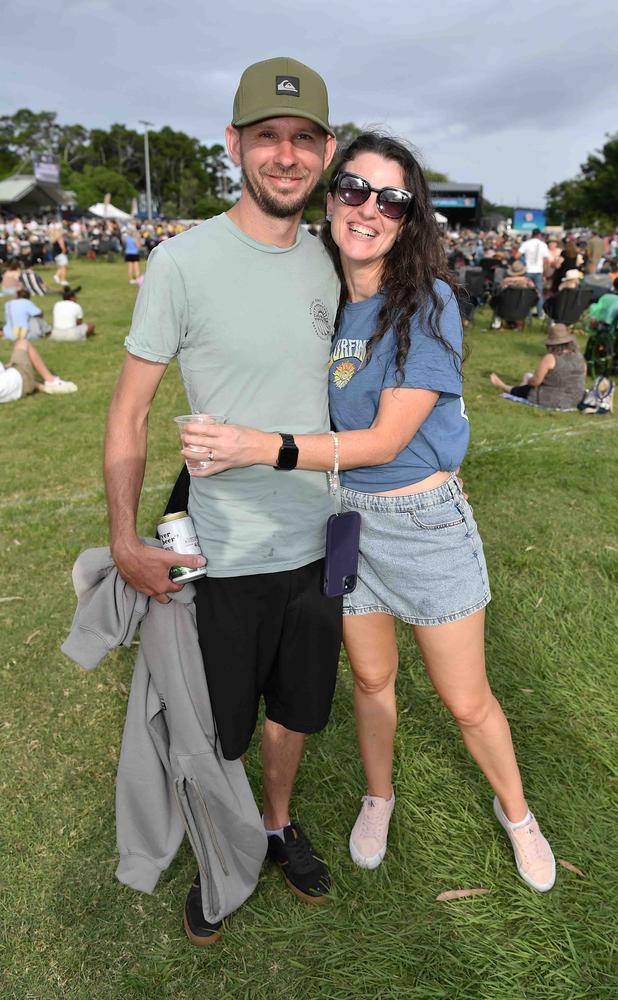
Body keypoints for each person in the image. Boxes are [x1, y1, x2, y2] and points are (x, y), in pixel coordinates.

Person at [183, 131, 556, 895]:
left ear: (409, 217)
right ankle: (377, 796)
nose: (369, 209)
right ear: (331, 195)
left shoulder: (429, 302)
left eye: (392, 199)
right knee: (372, 679)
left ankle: (518, 813)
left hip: (421, 525)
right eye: (354, 189)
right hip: (343, 518)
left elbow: (387, 438)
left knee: (465, 697)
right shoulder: (319, 298)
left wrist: (259, 446)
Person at [104, 57, 341, 946]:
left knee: (296, 709)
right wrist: (125, 537)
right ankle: (222, 847)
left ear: (323, 151)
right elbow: (128, 415)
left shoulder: (335, 262)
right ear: (235, 144)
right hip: (223, 549)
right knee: (220, 727)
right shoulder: (183, 261)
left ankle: (275, 826)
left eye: (304, 139)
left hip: (321, 540)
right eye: (268, 137)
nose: (286, 156)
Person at [489, 323, 586, 408]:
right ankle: (519, 386)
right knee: (527, 377)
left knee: (528, 386)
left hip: (552, 399)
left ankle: (504, 386)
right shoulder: (580, 357)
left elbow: (535, 381)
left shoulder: (551, 358)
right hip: (576, 398)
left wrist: (529, 382)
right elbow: (582, 377)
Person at [0, 334, 77, 403]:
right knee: (22, 343)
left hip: (15, 391)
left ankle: (39, 386)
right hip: (19, 381)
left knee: (9, 368)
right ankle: (51, 381)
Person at [517, 229, 548, 318]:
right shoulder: (543, 245)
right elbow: (546, 261)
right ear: (539, 235)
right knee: (539, 293)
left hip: (528, 270)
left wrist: (524, 262)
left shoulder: (526, 244)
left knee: (527, 293)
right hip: (539, 271)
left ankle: (527, 314)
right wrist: (545, 274)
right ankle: (540, 314)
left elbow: (517, 256)